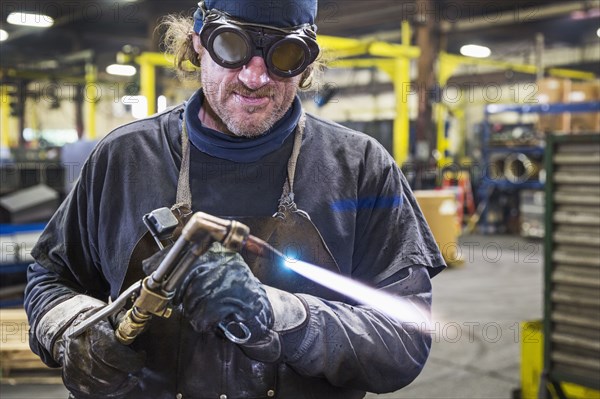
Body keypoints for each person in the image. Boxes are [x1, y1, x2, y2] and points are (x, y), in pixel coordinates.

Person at [24, 1, 446, 398]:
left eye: (284, 55)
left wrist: (280, 317)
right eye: (233, 46)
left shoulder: (361, 168)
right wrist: (74, 332)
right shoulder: (124, 157)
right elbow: (49, 278)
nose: (255, 78)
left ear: (306, 64)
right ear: (197, 42)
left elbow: (405, 339)